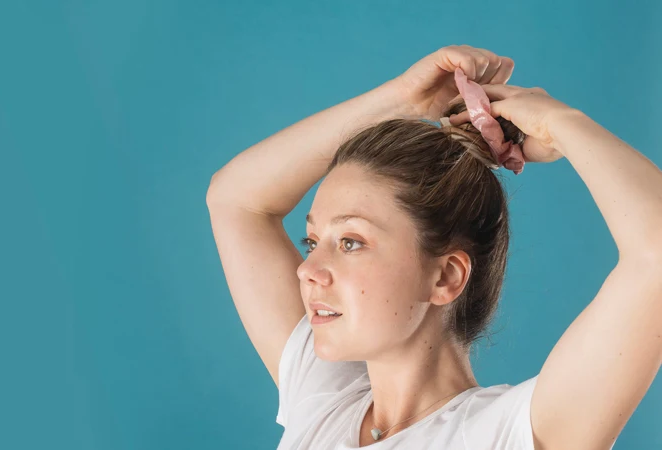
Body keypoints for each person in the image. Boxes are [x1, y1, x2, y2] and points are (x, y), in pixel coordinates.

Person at [205, 45, 662, 449]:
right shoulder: (326, 404)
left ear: (445, 277)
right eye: (312, 242)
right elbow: (235, 200)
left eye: (350, 241)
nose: (308, 271)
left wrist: (560, 123)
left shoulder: (509, 433)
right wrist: (403, 102)